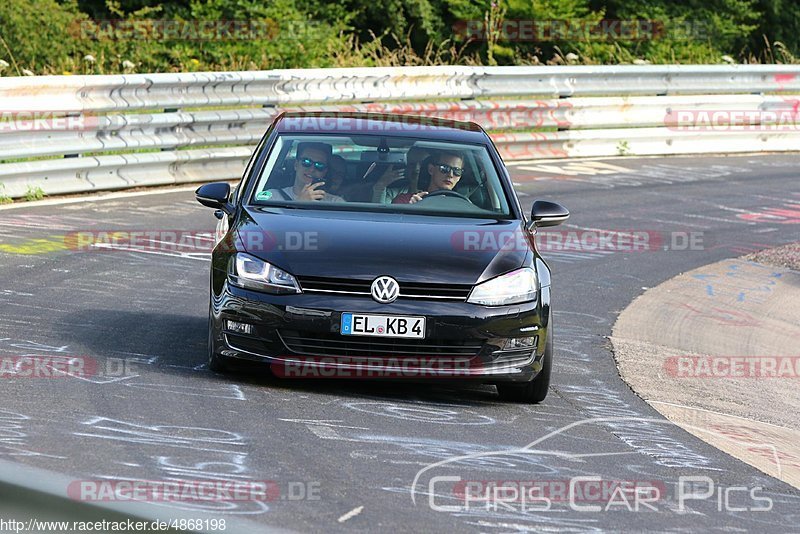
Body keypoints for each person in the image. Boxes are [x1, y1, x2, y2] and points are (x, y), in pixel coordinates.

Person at [262, 142, 344, 202]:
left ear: (325, 172)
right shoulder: (272, 197)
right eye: (306, 162)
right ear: (296, 165)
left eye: (319, 165)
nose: (312, 169)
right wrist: (299, 203)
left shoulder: (336, 202)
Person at [392, 150, 464, 204]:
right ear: (431, 169)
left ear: (460, 177)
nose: (450, 175)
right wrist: (412, 210)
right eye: (444, 168)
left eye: (457, 171)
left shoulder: (464, 206)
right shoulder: (405, 201)